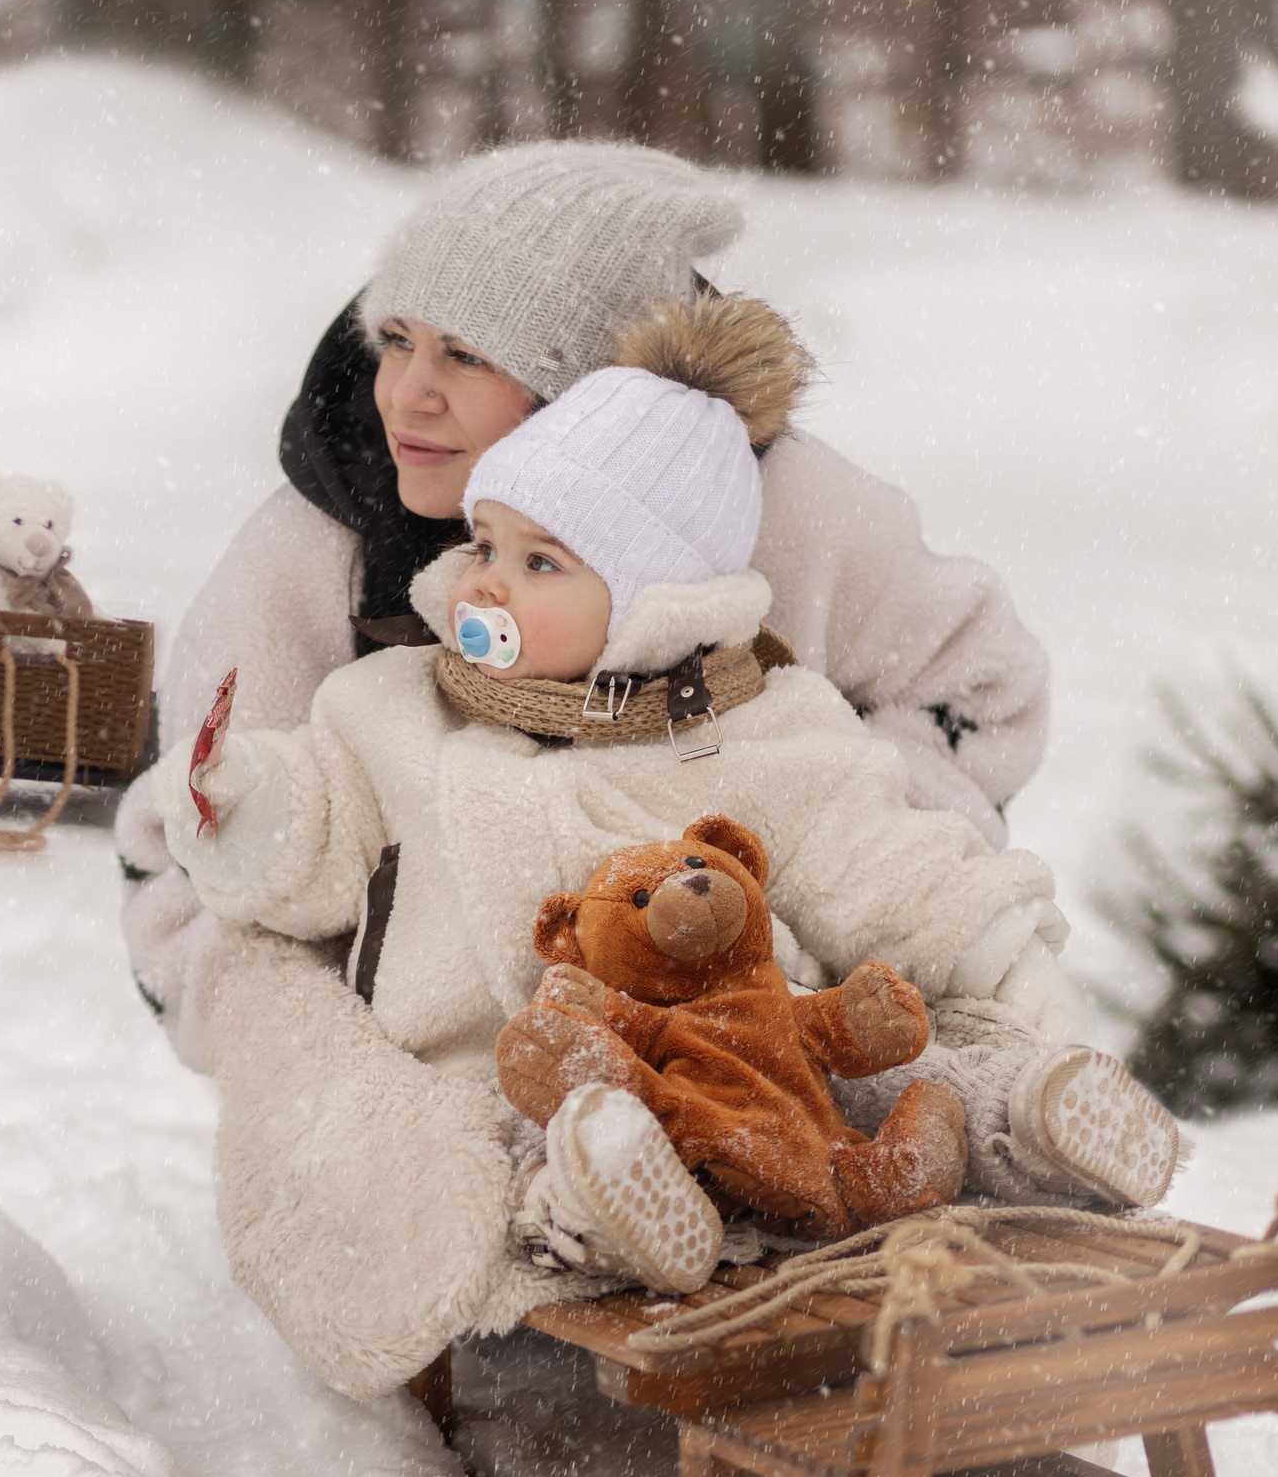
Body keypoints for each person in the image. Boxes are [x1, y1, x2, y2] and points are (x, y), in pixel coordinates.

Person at [113, 142, 1063, 1401]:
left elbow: (972, 687)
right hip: (435, 1015)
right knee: (409, 1113)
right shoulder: (320, 553)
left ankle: (1013, 1125)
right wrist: (334, 977)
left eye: (465, 356)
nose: (405, 394)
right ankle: (514, 1202)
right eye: (396, 338)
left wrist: (813, 830)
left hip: (731, 978)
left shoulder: (774, 505)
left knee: (904, 1000)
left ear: (589, 380)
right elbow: (194, 839)